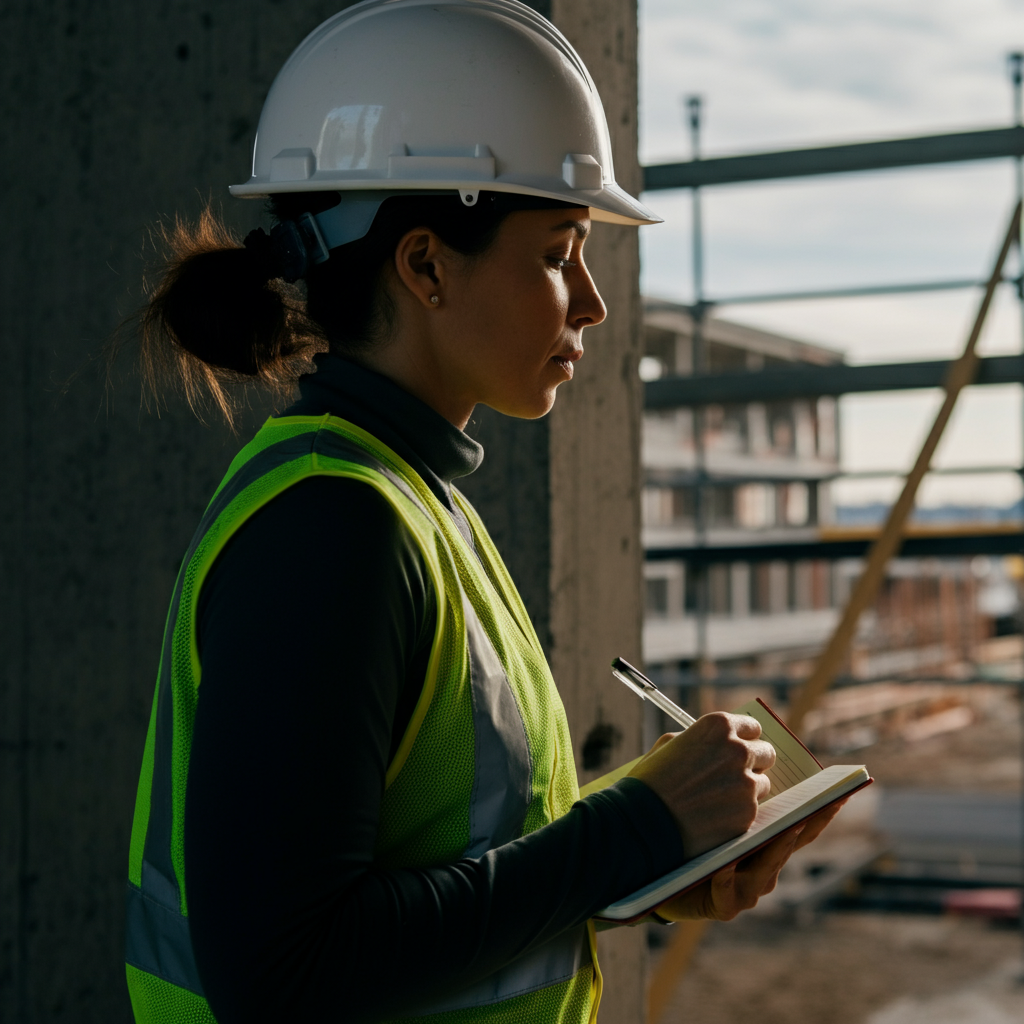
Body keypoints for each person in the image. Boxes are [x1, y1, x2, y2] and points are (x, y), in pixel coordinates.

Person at [123, 3, 844, 1023]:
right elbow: (284, 971)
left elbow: (433, 874)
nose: (591, 303)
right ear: (422, 265)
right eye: (558, 252)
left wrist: (651, 854)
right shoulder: (336, 529)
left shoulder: (413, 502)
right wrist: (631, 828)